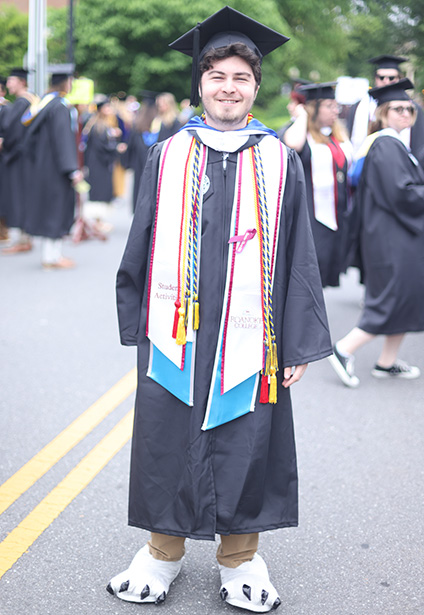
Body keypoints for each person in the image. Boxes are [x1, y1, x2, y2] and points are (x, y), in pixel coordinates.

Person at [107, 6, 332, 612]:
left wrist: (299, 339)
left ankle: (239, 558)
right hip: (176, 329)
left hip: (250, 337)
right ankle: (160, 552)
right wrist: (139, 321)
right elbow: (142, 238)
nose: (228, 88)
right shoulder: (169, 154)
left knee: (247, 436)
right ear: (200, 84)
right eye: (217, 76)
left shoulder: (280, 161)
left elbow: (298, 257)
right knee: (165, 432)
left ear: (255, 89)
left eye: (241, 78)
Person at [329, 78, 424, 388]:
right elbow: (403, 195)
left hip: (395, 234)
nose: (406, 114)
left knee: (407, 297)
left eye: (409, 109)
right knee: (391, 299)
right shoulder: (386, 144)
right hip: (391, 238)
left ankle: (386, 362)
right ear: (382, 112)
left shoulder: (393, 144)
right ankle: (343, 349)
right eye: (398, 109)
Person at [282, 82, 352, 287]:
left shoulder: (334, 136)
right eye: (329, 105)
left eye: (335, 105)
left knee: (322, 279)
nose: (335, 111)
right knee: (308, 279)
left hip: (335, 218)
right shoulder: (301, 134)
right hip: (310, 217)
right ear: (314, 108)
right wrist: (302, 115)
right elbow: (293, 145)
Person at [21, 70, 83, 269]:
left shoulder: (43, 104)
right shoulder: (60, 108)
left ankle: (51, 255)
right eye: (70, 81)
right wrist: (72, 169)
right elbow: (63, 140)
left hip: (42, 167)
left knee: (49, 210)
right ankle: (52, 257)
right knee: (56, 211)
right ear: (65, 83)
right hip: (57, 169)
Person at [347, 55, 424, 165]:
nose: (386, 81)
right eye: (381, 77)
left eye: (391, 78)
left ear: (399, 78)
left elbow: (419, 146)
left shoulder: (413, 110)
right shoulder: (358, 108)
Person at [123, 92, 182, 212]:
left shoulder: (174, 122)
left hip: (166, 162)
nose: (160, 107)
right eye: (159, 104)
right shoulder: (156, 120)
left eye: (163, 104)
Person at [1, 68, 37, 254]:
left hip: (18, 156)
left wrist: (3, 143)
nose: (8, 85)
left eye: (11, 81)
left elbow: (11, 131)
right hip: (26, 156)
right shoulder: (32, 100)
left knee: (18, 195)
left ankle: (23, 240)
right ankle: (24, 237)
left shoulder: (23, 102)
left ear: (22, 81)